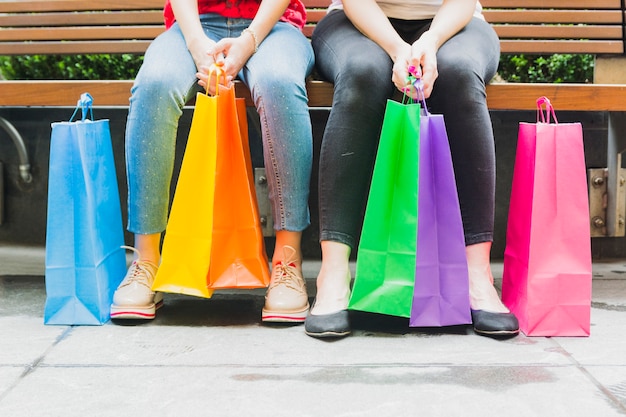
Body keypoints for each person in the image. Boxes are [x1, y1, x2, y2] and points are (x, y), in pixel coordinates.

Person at [304, 0, 519, 338]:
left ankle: (478, 277)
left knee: (460, 71)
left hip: (454, 24)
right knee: (362, 72)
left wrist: (430, 42)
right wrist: (397, 48)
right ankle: (332, 274)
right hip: (355, 23)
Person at [109, 0, 315, 323]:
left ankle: (287, 260)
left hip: (273, 26)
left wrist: (248, 41)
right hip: (194, 24)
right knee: (155, 85)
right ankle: (146, 260)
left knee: (279, 84)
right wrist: (195, 43)